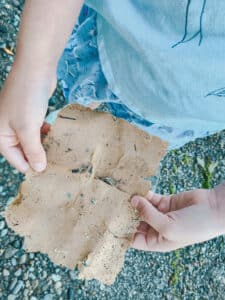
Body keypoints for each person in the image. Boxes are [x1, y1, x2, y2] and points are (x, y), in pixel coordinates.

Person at [0, 0, 225, 253]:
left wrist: (219, 208)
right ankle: (81, 110)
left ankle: (87, 120)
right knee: (83, 89)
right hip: (112, 38)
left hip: (177, 117)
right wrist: (35, 68)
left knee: (120, 140)